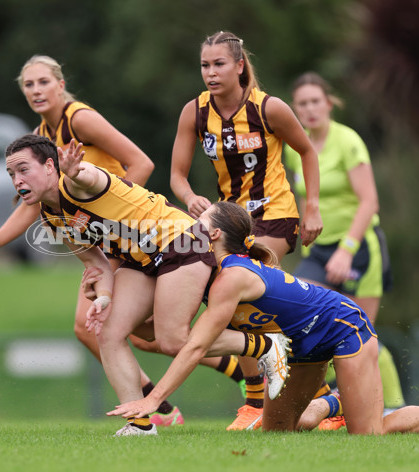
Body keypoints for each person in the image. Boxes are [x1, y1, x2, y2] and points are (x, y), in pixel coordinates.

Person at [0, 134, 290, 437]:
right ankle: (138, 425)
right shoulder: (52, 219)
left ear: (49, 166)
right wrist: (104, 298)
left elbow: (90, 177)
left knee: (172, 342)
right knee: (108, 330)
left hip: (180, 241)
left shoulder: (76, 182)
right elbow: (97, 265)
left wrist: (73, 171)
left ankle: (266, 346)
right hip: (142, 262)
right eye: (11, 174)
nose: (17, 179)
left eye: (23, 169)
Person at [107, 201, 419, 435]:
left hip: (343, 327)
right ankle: (331, 402)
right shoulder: (198, 274)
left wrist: (154, 399)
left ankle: (345, 403)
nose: (187, 227)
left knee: (369, 434)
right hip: (297, 347)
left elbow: (195, 346)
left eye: (196, 222)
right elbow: (155, 335)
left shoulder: (231, 276)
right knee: (280, 432)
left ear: (214, 234)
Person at [169, 30, 323, 429]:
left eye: (219, 64)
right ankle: (301, 392)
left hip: (276, 216)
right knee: (239, 306)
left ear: (239, 66)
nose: (211, 72)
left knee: (240, 293)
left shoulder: (268, 108)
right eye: (205, 65)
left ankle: (266, 397)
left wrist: (312, 208)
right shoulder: (195, 112)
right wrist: (189, 198)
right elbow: (177, 176)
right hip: (230, 223)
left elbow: (306, 151)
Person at [284, 71, 406, 426]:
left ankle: (390, 405)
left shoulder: (348, 141)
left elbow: (370, 202)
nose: (309, 110)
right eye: (302, 104)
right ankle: (323, 403)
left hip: (360, 249)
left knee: (361, 333)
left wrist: (346, 250)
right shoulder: (298, 148)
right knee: (303, 323)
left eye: (314, 102)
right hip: (318, 251)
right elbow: (307, 201)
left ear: (329, 103)